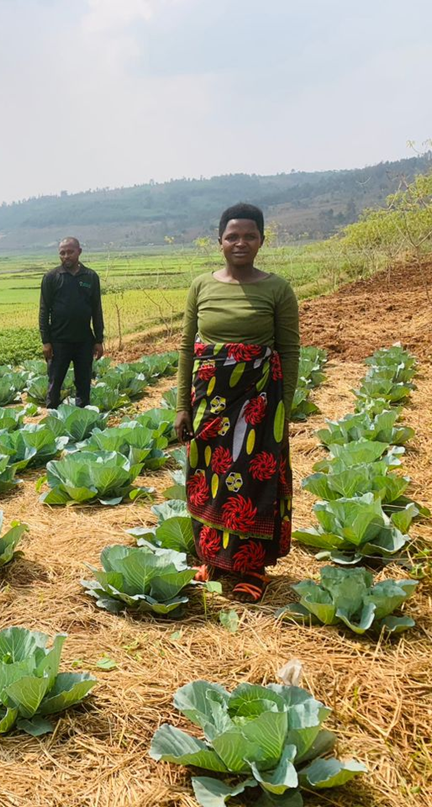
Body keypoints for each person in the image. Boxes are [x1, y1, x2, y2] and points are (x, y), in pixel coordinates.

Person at [173, 203, 299, 602]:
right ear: (220, 241)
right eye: (232, 236)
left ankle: (252, 568)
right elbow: (186, 349)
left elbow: (290, 350)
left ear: (261, 240)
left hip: (258, 404)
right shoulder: (201, 286)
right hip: (209, 400)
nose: (240, 242)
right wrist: (182, 406)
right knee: (208, 477)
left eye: (249, 236)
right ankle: (212, 559)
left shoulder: (277, 289)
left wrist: (285, 408)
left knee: (251, 482)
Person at [38, 237, 105, 409]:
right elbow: (44, 310)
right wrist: (46, 341)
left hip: (84, 341)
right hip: (59, 341)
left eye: (70, 252)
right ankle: (52, 417)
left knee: (83, 383)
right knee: (55, 382)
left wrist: (98, 340)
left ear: (79, 252)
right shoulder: (52, 277)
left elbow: (96, 309)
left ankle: (82, 417)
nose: (66, 256)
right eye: (62, 253)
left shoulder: (90, 277)